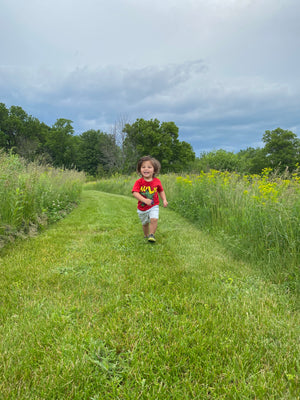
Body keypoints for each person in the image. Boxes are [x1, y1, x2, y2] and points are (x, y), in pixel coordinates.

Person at [132, 156, 168, 242]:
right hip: (142, 208)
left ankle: (151, 235)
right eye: (143, 167)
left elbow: (161, 191)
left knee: (154, 219)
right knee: (145, 223)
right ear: (140, 169)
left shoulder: (157, 181)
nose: (146, 169)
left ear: (154, 170)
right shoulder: (139, 182)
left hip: (154, 205)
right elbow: (135, 193)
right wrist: (145, 200)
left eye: (149, 167)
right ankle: (146, 235)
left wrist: (164, 200)